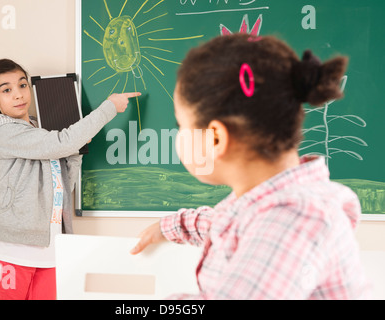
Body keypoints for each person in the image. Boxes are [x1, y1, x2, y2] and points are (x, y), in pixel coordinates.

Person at [130, 33, 372, 299]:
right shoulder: (267, 207)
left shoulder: (296, 218)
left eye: (181, 125)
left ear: (216, 138)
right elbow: (222, 225)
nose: (178, 134)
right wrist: (171, 226)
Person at [0, 58, 140, 299]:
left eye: (23, 85)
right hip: (12, 246)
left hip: (50, 245)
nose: (18, 95)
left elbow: (64, 179)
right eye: (7, 90)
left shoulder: (39, 129)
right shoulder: (2, 132)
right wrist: (108, 108)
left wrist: (76, 151)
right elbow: (61, 143)